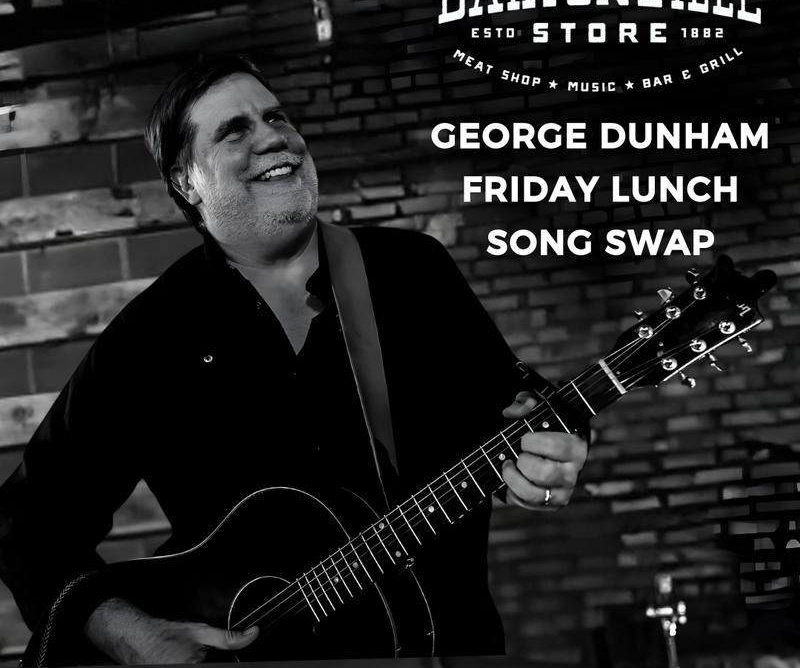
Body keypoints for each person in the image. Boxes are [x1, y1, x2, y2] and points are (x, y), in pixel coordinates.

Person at [0, 56, 588, 664]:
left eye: (276, 117)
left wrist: (548, 459)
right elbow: (28, 524)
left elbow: (520, 413)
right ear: (186, 181)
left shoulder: (412, 271)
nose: (273, 137)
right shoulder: (149, 338)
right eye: (235, 131)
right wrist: (131, 637)